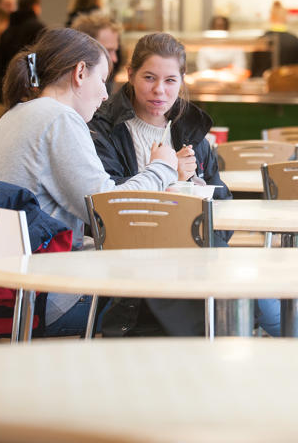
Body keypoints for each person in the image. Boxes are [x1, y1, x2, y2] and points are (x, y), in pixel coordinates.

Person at [0, 27, 178, 336]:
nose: (106, 94)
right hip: (39, 299)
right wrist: (162, 168)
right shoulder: (58, 119)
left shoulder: (16, 114)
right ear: (80, 73)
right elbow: (110, 212)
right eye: (102, 79)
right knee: (172, 299)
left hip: (1, 292)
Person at [89, 32, 281, 336]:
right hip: (133, 261)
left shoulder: (191, 130)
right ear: (130, 75)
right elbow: (107, 207)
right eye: (149, 77)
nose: (159, 91)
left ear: (182, 81)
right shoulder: (104, 129)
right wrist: (172, 178)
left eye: (170, 81)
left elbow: (224, 215)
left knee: (254, 284)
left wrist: (194, 183)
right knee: (250, 291)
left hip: (194, 257)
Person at [0, 0, 46, 94]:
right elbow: (36, 58)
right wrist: (35, 84)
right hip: (30, 85)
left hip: (9, 84)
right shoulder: (38, 28)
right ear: (35, 6)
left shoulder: (7, 30)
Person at [250, 1, 298, 77]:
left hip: (264, 84)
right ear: (286, 18)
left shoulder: (262, 40)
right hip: (288, 85)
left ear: (270, 17)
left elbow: (254, 69)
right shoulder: (294, 40)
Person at [71, 12, 121, 93]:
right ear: (84, 48)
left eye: (115, 51)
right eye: (108, 51)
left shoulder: (105, 81)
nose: (115, 59)